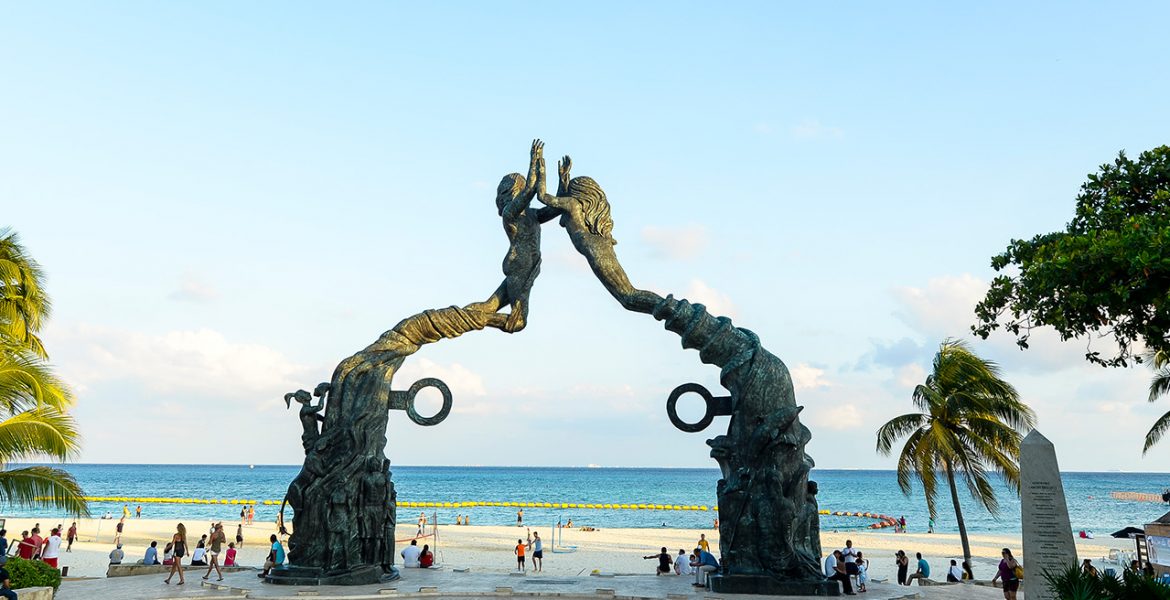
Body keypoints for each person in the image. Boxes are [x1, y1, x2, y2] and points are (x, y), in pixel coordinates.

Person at [535, 155, 661, 315]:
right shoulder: (575, 207)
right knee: (628, 297)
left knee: (628, 295)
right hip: (597, 246)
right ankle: (668, 308)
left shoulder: (572, 204)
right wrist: (563, 178)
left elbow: (543, 197)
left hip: (593, 247)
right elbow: (560, 199)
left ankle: (670, 308)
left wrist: (541, 170)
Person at [464, 139, 560, 333]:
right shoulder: (510, 213)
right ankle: (474, 319)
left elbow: (555, 207)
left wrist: (563, 183)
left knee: (488, 306)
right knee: (518, 322)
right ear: (513, 192)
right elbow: (531, 191)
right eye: (521, 187)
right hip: (520, 266)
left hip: (522, 267)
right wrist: (535, 163)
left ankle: (460, 317)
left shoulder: (533, 215)